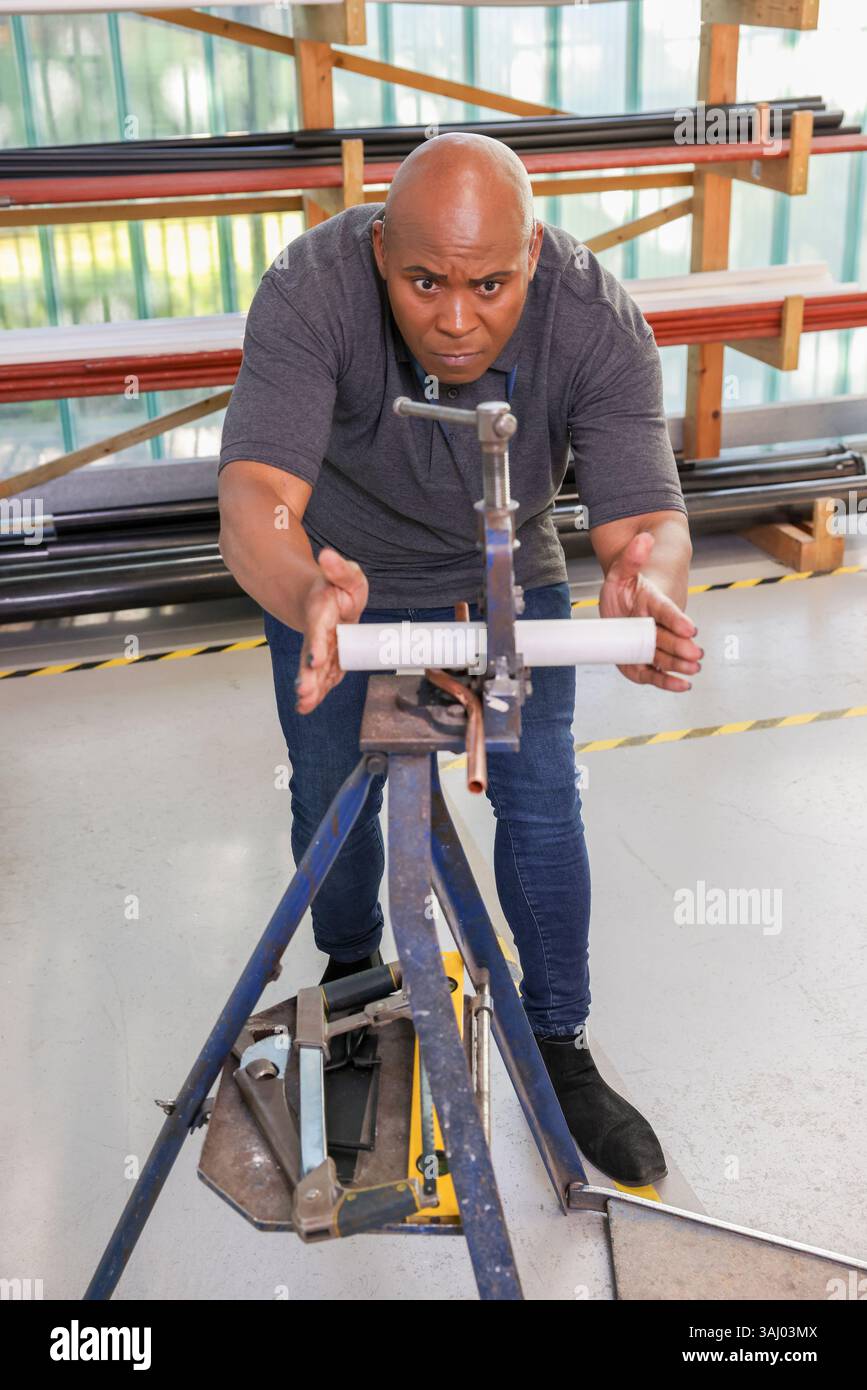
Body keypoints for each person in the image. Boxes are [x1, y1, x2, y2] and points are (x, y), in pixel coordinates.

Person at [217, 132, 702, 1187]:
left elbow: (646, 522)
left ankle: (561, 1044)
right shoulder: (311, 288)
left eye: (491, 284)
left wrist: (643, 579)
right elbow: (255, 500)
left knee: (540, 796)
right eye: (425, 280)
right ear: (380, 248)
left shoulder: (597, 317)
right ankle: (353, 990)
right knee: (329, 796)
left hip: (504, 568)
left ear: (535, 252)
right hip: (337, 575)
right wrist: (307, 590)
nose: (454, 317)